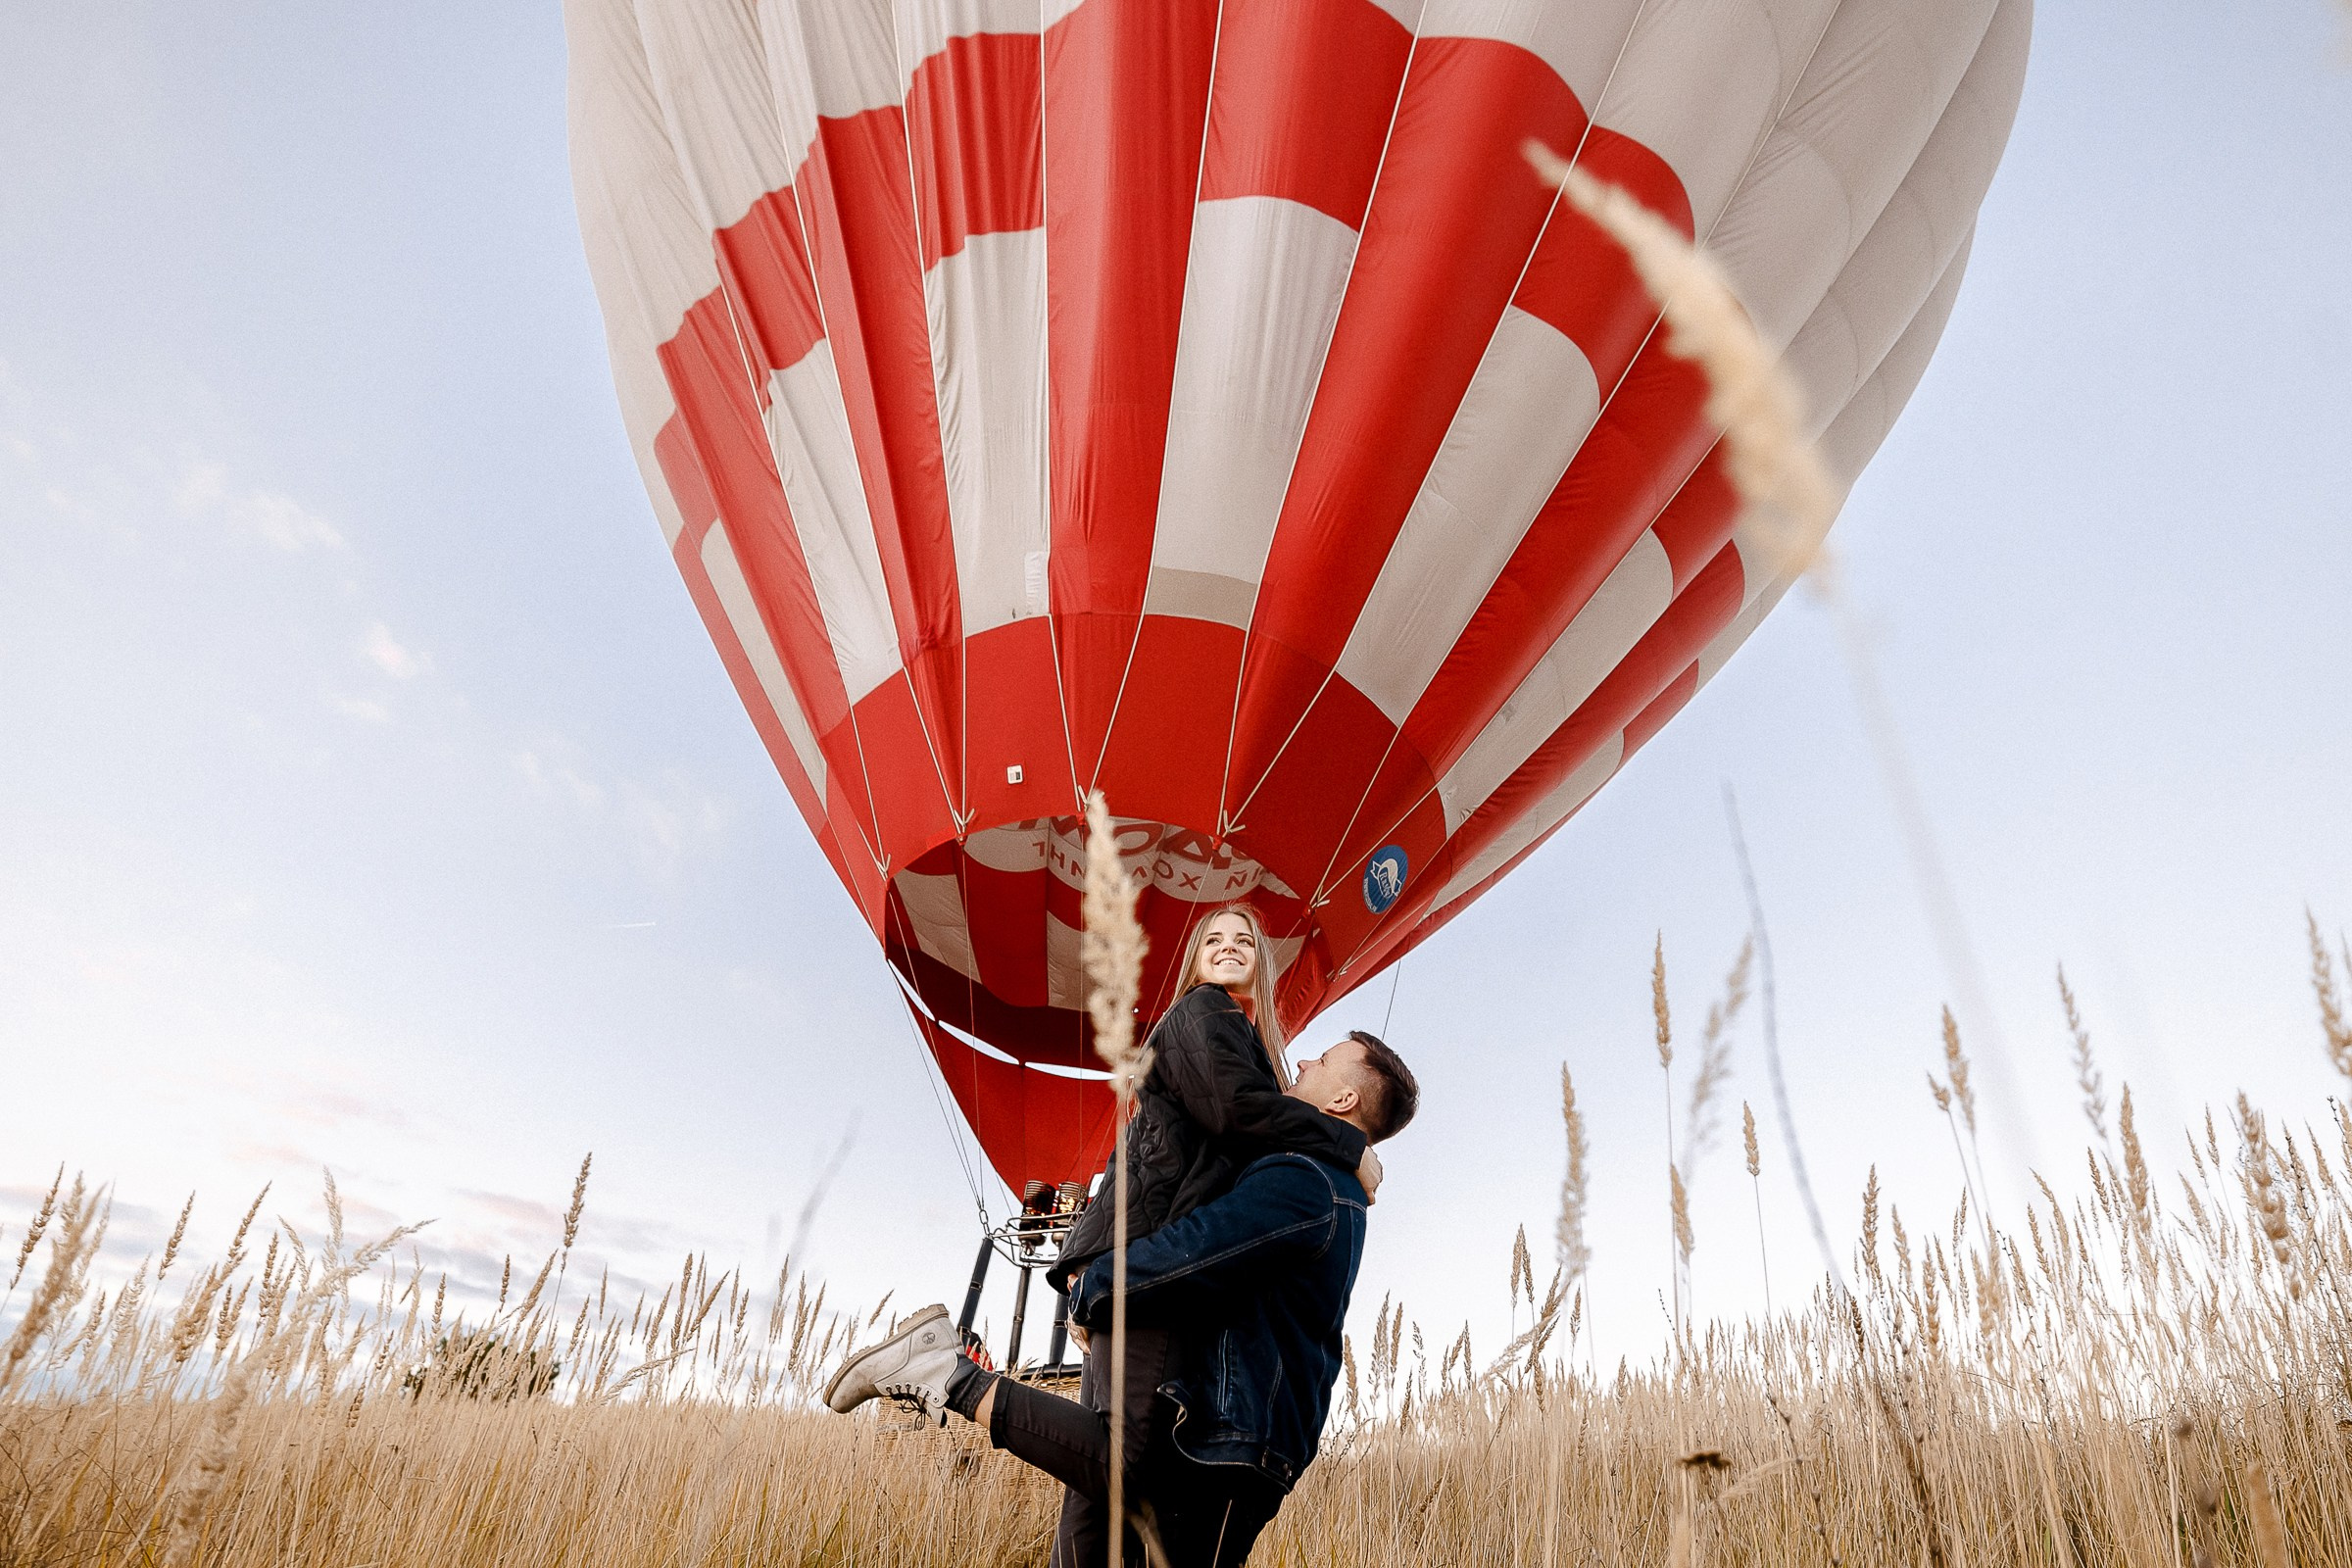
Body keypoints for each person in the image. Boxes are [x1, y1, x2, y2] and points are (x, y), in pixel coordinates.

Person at [824, 1030, 1419, 1567]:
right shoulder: (1324, 1180)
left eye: (1325, 1060)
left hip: (1233, 1442)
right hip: (1242, 1442)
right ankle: (950, 1375)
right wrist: (1350, 1148)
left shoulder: (1306, 1181)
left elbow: (1195, 1249)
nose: (1305, 1062)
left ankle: (949, 1375)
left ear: (1343, 1099)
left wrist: (1093, 1286)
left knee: (1115, 1476)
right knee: (1111, 1488)